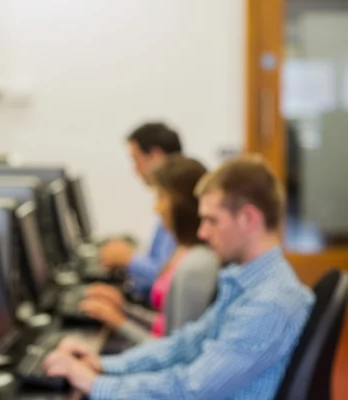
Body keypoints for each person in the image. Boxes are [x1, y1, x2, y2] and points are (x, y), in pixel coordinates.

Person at [43, 155, 314, 399]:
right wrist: (104, 366)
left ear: (248, 219)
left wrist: (95, 384)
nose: (202, 233)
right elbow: (185, 345)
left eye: (212, 220)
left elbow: (191, 389)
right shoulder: (245, 283)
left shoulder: (270, 302)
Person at [80, 155, 219, 344]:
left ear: (182, 204)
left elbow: (176, 352)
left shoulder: (197, 265)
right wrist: (124, 310)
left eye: (161, 197)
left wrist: (120, 323)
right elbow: (165, 326)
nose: (156, 208)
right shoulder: (184, 251)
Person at [99, 122, 181, 298]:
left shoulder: (181, 203)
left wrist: (129, 259)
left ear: (156, 156)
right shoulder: (172, 198)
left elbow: (169, 278)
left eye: (136, 160)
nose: (135, 170)